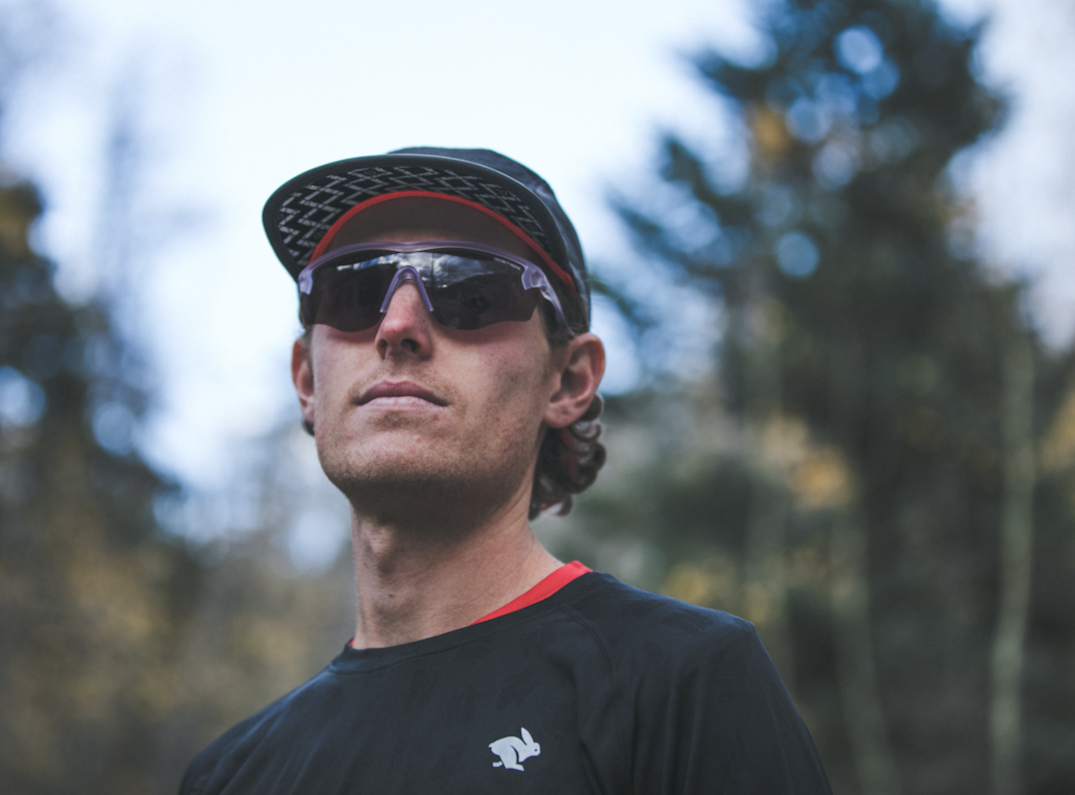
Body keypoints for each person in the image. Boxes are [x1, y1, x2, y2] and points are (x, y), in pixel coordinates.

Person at [179, 148, 833, 794]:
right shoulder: (226, 776)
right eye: (354, 290)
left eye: (469, 290)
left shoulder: (682, 682)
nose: (397, 325)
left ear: (567, 380)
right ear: (306, 381)